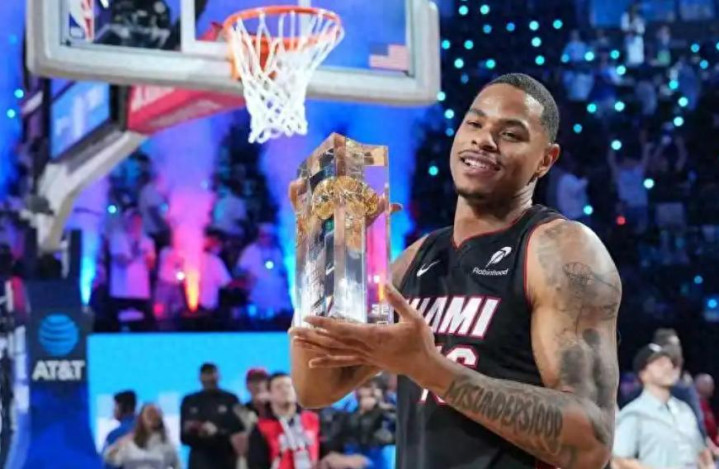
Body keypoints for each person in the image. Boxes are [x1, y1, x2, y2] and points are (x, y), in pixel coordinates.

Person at [290, 73, 622, 468]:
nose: (484, 139)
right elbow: (316, 388)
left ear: (545, 160)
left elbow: (591, 444)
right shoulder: (416, 259)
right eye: (474, 123)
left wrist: (428, 367)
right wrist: (318, 249)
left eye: (510, 134)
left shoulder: (560, 250)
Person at [612, 344, 712, 468]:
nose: (668, 367)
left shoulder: (685, 410)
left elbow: (701, 452)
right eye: (660, 363)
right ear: (643, 374)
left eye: (670, 363)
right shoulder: (634, 414)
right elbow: (619, 460)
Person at [181, 363, 245, 469]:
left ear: (219, 376)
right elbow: (183, 437)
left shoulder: (230, 399)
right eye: (205, 374)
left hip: (225, 461)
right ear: (200, 378)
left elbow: (238, 432)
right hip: (199, 462)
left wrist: (217, 432)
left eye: (211, 374)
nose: (209, 378)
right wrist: (199, 431)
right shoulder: (190, 401)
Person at [103, 403, 180, 469]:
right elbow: (109, 457)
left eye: (154, 414)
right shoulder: (129, 443)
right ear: (141, 418)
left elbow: (178, 465)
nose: (152, 417)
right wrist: (120, 443)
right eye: (149, 414)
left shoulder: (167, 444)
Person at [101, 390, 137, 468]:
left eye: (115, 406)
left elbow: (107, 464)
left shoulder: (115, 435)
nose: (113, 410)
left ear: (124, 407)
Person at [695, 373, 718, 445]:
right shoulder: (696, 406)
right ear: (702, 386)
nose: (713, 388)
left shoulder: (706, 404)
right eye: (711, 385)